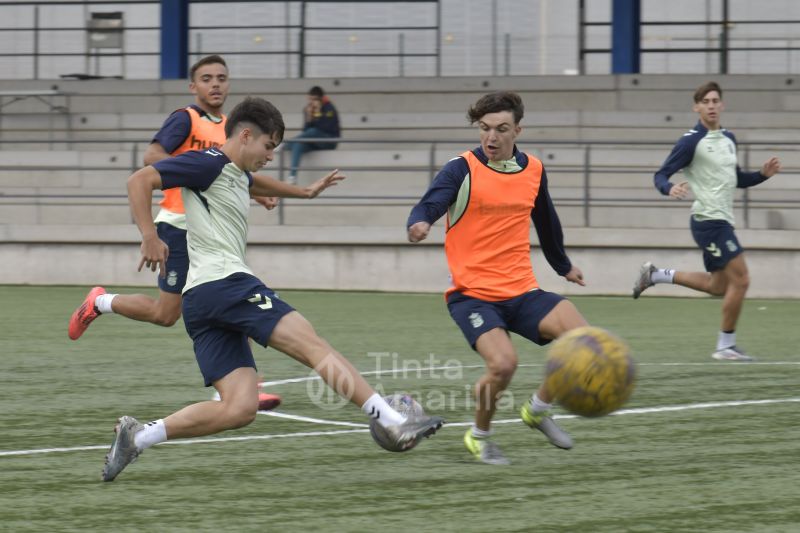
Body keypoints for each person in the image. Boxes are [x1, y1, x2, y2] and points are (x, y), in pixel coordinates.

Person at [102, 97, 443, 482]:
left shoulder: (234, 172)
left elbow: (255, 182)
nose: (270, 156)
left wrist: (304, 193)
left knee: (239, 408)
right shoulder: (208, 162)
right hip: (226, 283)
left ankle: (138, 437)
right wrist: (149, 235)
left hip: (200, 301)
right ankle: (392, 419)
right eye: (268, 146)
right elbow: (139, 179)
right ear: (246, 135)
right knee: (313, 345)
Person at [407, 91, 589, 465]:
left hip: (522, 291)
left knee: (584, 342)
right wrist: (420, 221)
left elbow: (546, 220)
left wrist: (563, 266)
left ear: (517, 130)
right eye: (484, 128)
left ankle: (537, 409)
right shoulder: (461, 168)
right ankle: (480, 436)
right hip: (472, 295)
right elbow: (432, 201)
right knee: (504, 365)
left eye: (501, 129)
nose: (491, 137)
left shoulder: (533, 169)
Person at [68, 54, 280, 340]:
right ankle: (100, 302)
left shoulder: (232, 127)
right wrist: (188, 174)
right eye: (206, 79)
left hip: (212, 227)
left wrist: (256, 192)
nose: (215, 84)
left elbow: (228, 173)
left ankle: (241, 370)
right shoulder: (185, 118)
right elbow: (151, 156)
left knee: (231, 290)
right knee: (166, 314)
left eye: (221, 78)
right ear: (193, 87)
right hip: (180, 224)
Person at [632, 81, 781, 362]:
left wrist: (762, 175)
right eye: (705, 102)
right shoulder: (690, 141)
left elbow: (737, 179)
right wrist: (669, 188)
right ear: (696, 107)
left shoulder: (729, 139)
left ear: (722, 105)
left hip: (723, 220)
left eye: (715, 101)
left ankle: (655, 275)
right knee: (742, 279)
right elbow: (660, 175)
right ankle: (725, 346)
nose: (711, 106)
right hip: (708, 221)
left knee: (718, 286)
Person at [285, 85, 340, 184]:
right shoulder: (308, 109)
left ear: (320, 99)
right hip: (314, 141)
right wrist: (309, 118)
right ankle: (292, 177)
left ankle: (286, 144)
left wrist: (318, 113)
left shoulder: (329, 109)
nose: (311, 102)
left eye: (314, 99)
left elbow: (325, 128)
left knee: (313, 131)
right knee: (298, 144)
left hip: (329, 141)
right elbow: (305, 132)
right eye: (310, 99)